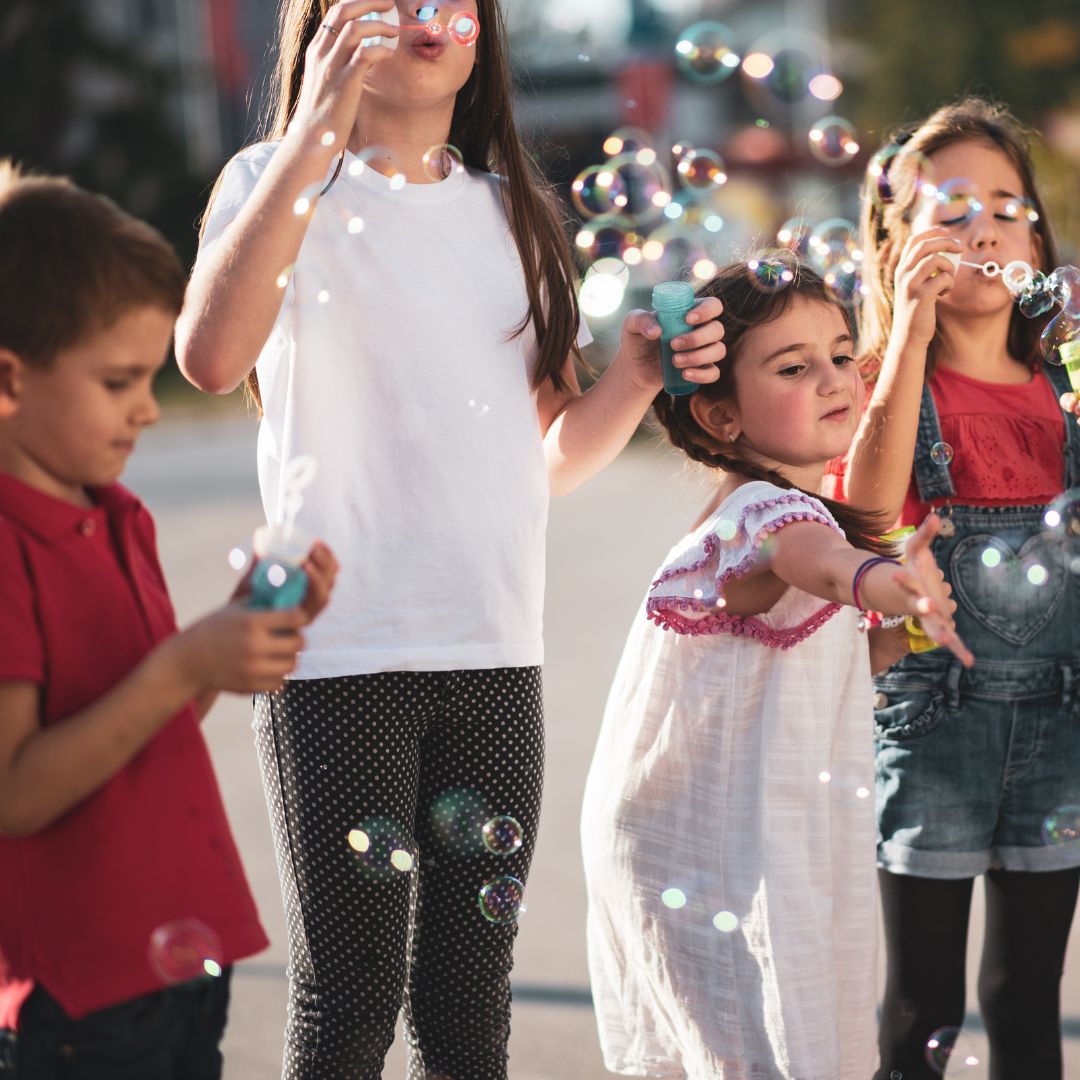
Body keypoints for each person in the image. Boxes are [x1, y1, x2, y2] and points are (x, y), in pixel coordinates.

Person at [175, 2, 727, 1076]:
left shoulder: (510, 210)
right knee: (348, 1003)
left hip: (490, 653)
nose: (431, 16)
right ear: (324, 30)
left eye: (453, 0)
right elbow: (207, 354)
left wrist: (633, 379)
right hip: (335, 657)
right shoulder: (270, 183)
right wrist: (315, 128)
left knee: (472, 1009)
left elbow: (546, 457)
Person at [580, 256, 973, 1080]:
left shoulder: (759, 502)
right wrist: (886, 581)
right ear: (722, 416)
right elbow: (819, 564)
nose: (833, 379)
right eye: (794, 368)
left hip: (717, 835)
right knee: (769, 1044)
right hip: (717, 848)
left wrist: (889, 641)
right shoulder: (773, 512)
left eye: (839, 354)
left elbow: (802, 641)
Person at [0, 164, 337, 1080]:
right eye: (117, 382)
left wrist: (229, 643)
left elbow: (146, 725)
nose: (148, 408)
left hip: (180, 958)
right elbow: (17, 791)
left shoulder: (118, 517)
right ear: (8, 380)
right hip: (82, 991)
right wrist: (184, 667)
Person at [838, 97, 1080, 1080]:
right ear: (895, 245)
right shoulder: (881, 387)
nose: (980, 224)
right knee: (919, 1009)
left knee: (1030, 1000)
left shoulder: (1063, 386)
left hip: (1062, 721)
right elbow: (864, 510)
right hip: (935, 721)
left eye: (1004, 205)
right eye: (947, 208)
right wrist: (908, 334)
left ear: (1036, 235)